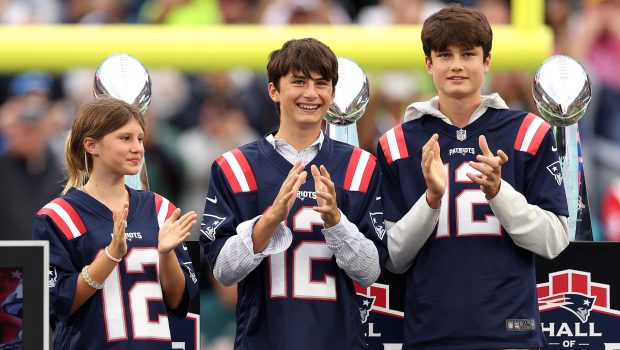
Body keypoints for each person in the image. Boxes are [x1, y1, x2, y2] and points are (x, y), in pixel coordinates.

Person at [376, 5, 569, 349]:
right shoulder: (397, 143)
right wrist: (431, 201)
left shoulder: (529, 132)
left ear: (487, 61)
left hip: (512, 333)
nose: (457, 65)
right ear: (428, 63)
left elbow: (553, 241)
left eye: (468, 54)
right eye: (444, 55)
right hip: (431, 335)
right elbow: (392, 257)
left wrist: (499, 192)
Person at [199, 37, 388, 349]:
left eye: (320, 83)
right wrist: (270, 221)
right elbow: (224, 272)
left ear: (332, 92)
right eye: (298, 82)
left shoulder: (361, 166)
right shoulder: (233, 167)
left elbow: (370, 273)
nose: (310, 93)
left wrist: (336, 222)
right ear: (274, 89)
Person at [32, 98, 199, 349]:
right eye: (125, 138)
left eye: (140, 138)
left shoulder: (159, 208)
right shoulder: (57, 216)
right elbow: (57, 303)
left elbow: (179, 302)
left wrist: (166, 255)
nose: (137, 148)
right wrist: (110, 256)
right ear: (91, 145)